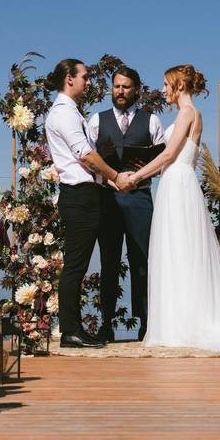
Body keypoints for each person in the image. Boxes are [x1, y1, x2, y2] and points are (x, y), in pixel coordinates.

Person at [123, 64, 220, 352]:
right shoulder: (193, 114)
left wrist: (136, 176)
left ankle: (182, 324)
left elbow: (170, 154)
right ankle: (182, 319)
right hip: (179, 182)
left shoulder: (186, 113)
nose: (162, 90)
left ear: (179, 85)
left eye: (166, 84)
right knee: (181, 250)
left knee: (179, 249)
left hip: (177, 183)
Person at [44, 58, 128, 349]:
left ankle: (73, 329)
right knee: (75, 266)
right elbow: (84, 155)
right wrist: (115, 175)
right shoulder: (64, 114)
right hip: (78, 196)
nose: (89, 82)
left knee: (77, 265)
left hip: (87, 193)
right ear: (69, 79)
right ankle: (70, 331)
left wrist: (108, 181)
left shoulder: (72, 112)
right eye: (85, 77)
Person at [87, 66, 164, 342]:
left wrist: (138, 177)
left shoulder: (151, 121)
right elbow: (88, 159)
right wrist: (112, 181)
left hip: (140, 199)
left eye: (126, 87)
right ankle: (106, 323)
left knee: (141, 261)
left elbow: (162, 160)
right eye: (116, 86)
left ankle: (146, 324)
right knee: (109, 262)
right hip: (107, 198)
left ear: (136, 90)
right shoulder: (97, 120)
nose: (120, 91)